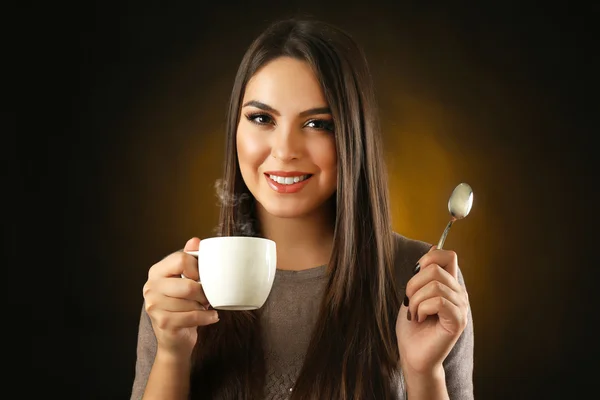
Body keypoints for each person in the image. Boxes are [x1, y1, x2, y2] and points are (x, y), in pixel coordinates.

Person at [131, 17, 474, 400]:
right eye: (262, 118)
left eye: (316, 123)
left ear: (352, 136)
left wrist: (423, 373)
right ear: (236, 128)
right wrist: (171, 355)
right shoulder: (181, 291)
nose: (284, 150)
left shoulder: (421, 282)